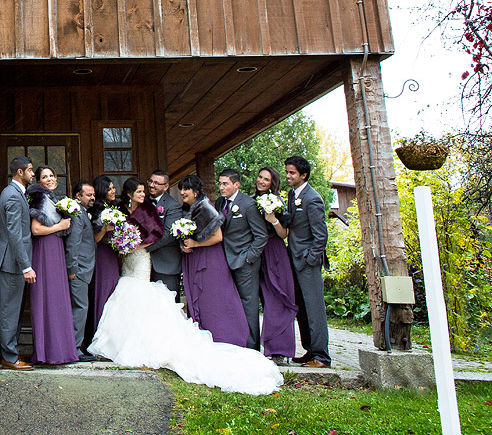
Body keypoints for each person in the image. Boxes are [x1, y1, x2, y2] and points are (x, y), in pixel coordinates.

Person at [88, 174, 283, 395]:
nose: (146, 192)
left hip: (145, 258)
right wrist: (124, 243)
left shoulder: (185, 207)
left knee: (145, 298)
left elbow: (164, 232)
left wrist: (138, 246)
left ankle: (243, 342)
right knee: (130, 299)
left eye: (185, 190)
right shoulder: (125, 209)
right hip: (131, 259)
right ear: (131, 194)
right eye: (141, 190)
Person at [178, 174, 249, 348]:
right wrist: (183, 244)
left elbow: (218, 236)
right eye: (180, 188)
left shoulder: (205, 207)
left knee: (213, 297)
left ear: (196, 191)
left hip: (210, 259)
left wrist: (195, 243)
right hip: (195, 256)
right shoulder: (188, 209)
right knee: (199, 297)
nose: (182, 192)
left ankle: (225, 335)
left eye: (186, 188)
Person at [26, 165, 78, 364]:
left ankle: (61, 351)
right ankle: (47, 353)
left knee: (57, 298)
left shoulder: (54, 199)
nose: (49, 179)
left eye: (51, 175)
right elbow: (36, 229)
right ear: (39, 181)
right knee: (47, 296)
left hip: (56, 248)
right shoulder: (39, 198)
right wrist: (60, 226)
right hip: (45, 249)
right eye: (44, 177)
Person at [284, 155, 331, 368]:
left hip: (307, 262)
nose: (288, 176)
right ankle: (310, 350)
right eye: (287, 172)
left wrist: (310, 259)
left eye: (292, 173)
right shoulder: (293, 195)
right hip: (294, 259)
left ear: (303, 175)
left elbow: (321, 235)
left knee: (314, 308)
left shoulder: (313, 198)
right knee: (301, 308)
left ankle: (322, 356)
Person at [217, 168, 268, 349]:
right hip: (225, 261)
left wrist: (248, 258)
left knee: (248, 304)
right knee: (230, 303)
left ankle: (252, 346)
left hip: (245, 262)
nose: (221, 187)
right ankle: (235, 341)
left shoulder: (248, 204)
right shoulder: (220, 203)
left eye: (225, 184)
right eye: (220, 183)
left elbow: (261, 236)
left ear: (236, 184)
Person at [0, 155, 35, 370]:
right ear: (20, 172)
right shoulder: (11, 195)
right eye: (30, 170)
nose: (32, 173)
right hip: (12, 263)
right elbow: (14, 234)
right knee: (10, 310)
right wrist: (25, 266)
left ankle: (10, 354)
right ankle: (9, 358)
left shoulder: (18, 193)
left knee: (16, 310)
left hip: (14, 262)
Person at [255, 165, 298, 365]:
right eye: (260, 177)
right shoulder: (250, 201)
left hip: (274, 251)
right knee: (261, 299)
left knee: (278, 298)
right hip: (256, 252)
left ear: (273, 183)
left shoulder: (277, 202)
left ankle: (279, 349)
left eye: (266, 179)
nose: (261, 181)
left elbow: (283, 234)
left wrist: (272, 220)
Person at [65, 180, 98, 361]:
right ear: (78, 196)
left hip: (84, 269)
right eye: (88, 195)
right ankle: (75, 348)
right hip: (79, 270)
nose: (92, 198)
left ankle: (77, 346)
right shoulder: (77, 214)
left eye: (93, 195)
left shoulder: (84, 213)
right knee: (80, 308)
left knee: (81, 307)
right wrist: (72, 269)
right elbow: (73, 243)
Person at [87, 175, 120, 336]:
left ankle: (111, 334)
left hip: (112, 254)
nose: (113, 191)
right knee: (103, 290)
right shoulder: (97, 210)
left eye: (113, 187)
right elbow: (94, 239)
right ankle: (99, 335)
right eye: (109, 188)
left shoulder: (113, 208)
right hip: (101, 255)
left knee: (113, 291)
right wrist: (105, 229)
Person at [145, 169, 183, 299]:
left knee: (169, 305)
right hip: (143, 265)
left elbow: (168, 234)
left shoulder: (173, 205)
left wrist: (144, 248)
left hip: (166, 263)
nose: (151, 185)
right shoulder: (141, 201)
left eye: (156, 183)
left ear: (166, 186)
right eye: (150, 181)